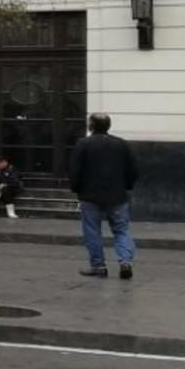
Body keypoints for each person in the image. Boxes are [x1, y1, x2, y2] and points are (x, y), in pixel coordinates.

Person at [68, 113, 140, 280]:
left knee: (92, 231)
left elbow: (74, 170)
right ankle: (125, 262)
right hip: (117, 194)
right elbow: (133, 169)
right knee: (121, 230)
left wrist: (77, 188)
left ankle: (98, 266)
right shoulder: (121, 144)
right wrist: (127, 186)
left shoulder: (83, 144)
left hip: (90, 194)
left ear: (91, 126)